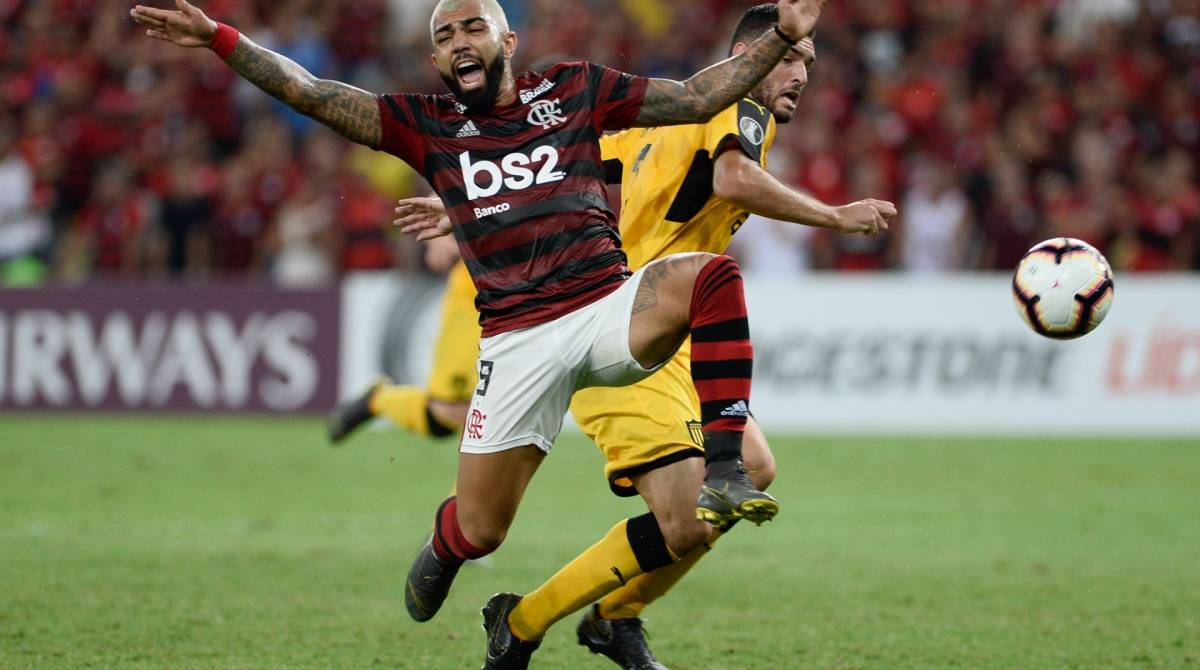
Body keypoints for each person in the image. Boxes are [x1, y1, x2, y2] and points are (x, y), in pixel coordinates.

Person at [130, 1, 826, 667]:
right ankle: (449, 544)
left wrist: (777, 39)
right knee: (484, 527)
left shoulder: (574, 89)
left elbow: (697, 95)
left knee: (710, 278)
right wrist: (223, 38)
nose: (462, 39)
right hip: (518, 342)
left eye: (476, 26)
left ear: (508, 41)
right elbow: (310, 91)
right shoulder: (424, 125)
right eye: (446, 33)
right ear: (434, 56)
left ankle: (724, 467)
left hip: (603, 307)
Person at [393, 6, 896, 668]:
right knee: (688, 519)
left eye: (808, 62)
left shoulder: (662, 118)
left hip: (660, 324)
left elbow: (559, 163)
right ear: (756, 54)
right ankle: (522, 621)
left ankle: (614, 616)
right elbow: (733, 178)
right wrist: (836, 215)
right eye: (794, 58)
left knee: (755, 467)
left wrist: (464, 197)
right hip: (614, 326)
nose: (802, 73)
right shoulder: (742, 105)